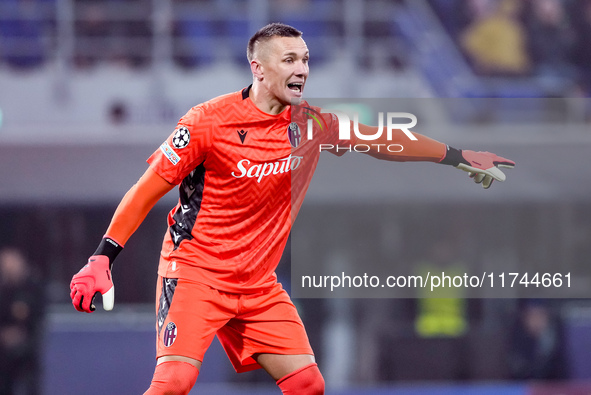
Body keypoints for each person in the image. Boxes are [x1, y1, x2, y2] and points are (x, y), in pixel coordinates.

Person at [70, 23, 515, 395]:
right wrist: (102, 257)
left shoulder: (311, 125)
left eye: (305, 60)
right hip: (196, 272)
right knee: (175, 381)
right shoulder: (207, 121)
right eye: (290, 61)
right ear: (258, 68)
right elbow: (145, 190)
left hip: (258, 283)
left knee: (308, 384)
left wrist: (459, 156)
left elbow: (386, 140)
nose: (302, 69)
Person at [0, 248, 45, 395]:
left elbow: (38, 315)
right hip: (4, 349)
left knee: (30, 385)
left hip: (29, 346)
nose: (9, 269)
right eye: (5, 266)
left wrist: (23, 333)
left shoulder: (33, 286)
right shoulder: (4, 289)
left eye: (12, 264)